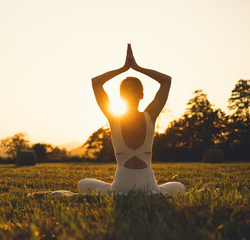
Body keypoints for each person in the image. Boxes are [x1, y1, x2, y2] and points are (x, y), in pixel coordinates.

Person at [77, 44, 185, 195]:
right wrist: (137, 67)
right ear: (142, 95)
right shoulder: (150, 116)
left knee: (83, 184)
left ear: (121, 96)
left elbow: (96, 82)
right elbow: (166, 81)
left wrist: (123, 68)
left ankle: (111, 188)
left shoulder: (114, 118)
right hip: (149, 186)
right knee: (178, 186)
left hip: (121, 186)